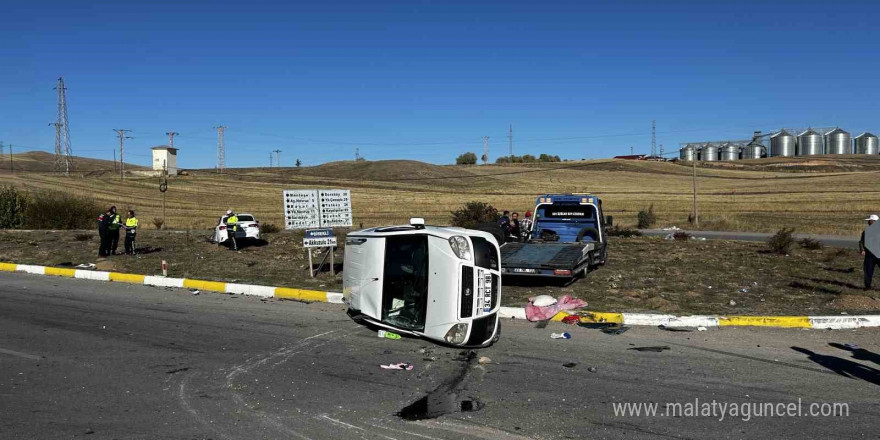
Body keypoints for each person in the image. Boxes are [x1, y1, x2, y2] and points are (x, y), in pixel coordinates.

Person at [860, 214, 879, 290]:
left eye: (870, 221)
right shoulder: (866, 232)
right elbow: (861, 242)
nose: (868, 222)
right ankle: (867, 287)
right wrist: (862, 249)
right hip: (869, 255)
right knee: (868, 271)